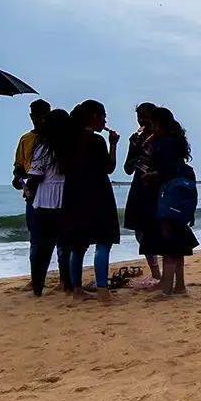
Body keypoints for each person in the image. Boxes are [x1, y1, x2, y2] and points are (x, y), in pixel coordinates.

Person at [60, 99, 121, 293]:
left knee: (78, 243)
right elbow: (109, 167)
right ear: (94, 117)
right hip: (98, 193)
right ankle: (102, 289)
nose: (105, 121)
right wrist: (113, 145)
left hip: (73, 194)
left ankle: (76, 288)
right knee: (103, 241)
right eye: (103, 117)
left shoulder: (68, 141)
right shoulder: (96, 140)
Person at [146, 107, 198, 295]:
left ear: (159, 123)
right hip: (182, 195)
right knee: (178, 240)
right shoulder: (177, 143)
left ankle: (167, 285)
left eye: (152, 123)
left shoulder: (164, 144)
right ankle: (179, 284)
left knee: (169, 241)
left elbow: (165, 170)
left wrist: (151, 174)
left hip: (169, 195)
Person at [25, 109, 75, 296]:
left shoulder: (44, 147)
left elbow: (36, 175)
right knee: (66, 245)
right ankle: (67, 283)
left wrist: (28, 187)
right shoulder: (72, 146)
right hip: (67, 197)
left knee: (44, 246)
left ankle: (38, 286)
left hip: (46, 198)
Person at [120, 103, 164, 289]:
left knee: (160, 230)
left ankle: (163, 273)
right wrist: (135, 152)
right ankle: (155, 272)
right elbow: (127, 168)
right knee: (141, 232)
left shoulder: (161, 139)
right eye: (138, 118)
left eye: (144, 118)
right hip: (140, 187)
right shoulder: (136, 140)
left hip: (157, 187)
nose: (141, 122)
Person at [13, 98, 50, 248]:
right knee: (35, 236)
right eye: (37, 115)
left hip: (48, 189)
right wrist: (17, 178)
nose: (40, 118)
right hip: (32, 192)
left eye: (43, 114)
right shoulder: (26, 139)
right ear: (31, 116)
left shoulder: (53, 139)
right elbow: (19, 165)